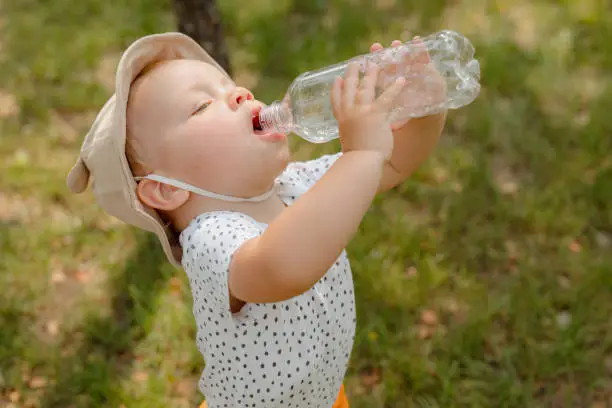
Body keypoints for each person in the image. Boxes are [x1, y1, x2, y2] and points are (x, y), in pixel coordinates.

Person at [66, 32, 447, 408]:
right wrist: (360, 154)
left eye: (230, 85)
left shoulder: (291, 184)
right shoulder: (210, 239)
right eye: (201, 106)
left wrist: (424, 108)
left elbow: (393, 163)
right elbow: (281, 268)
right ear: (166, 190)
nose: (241, 93)